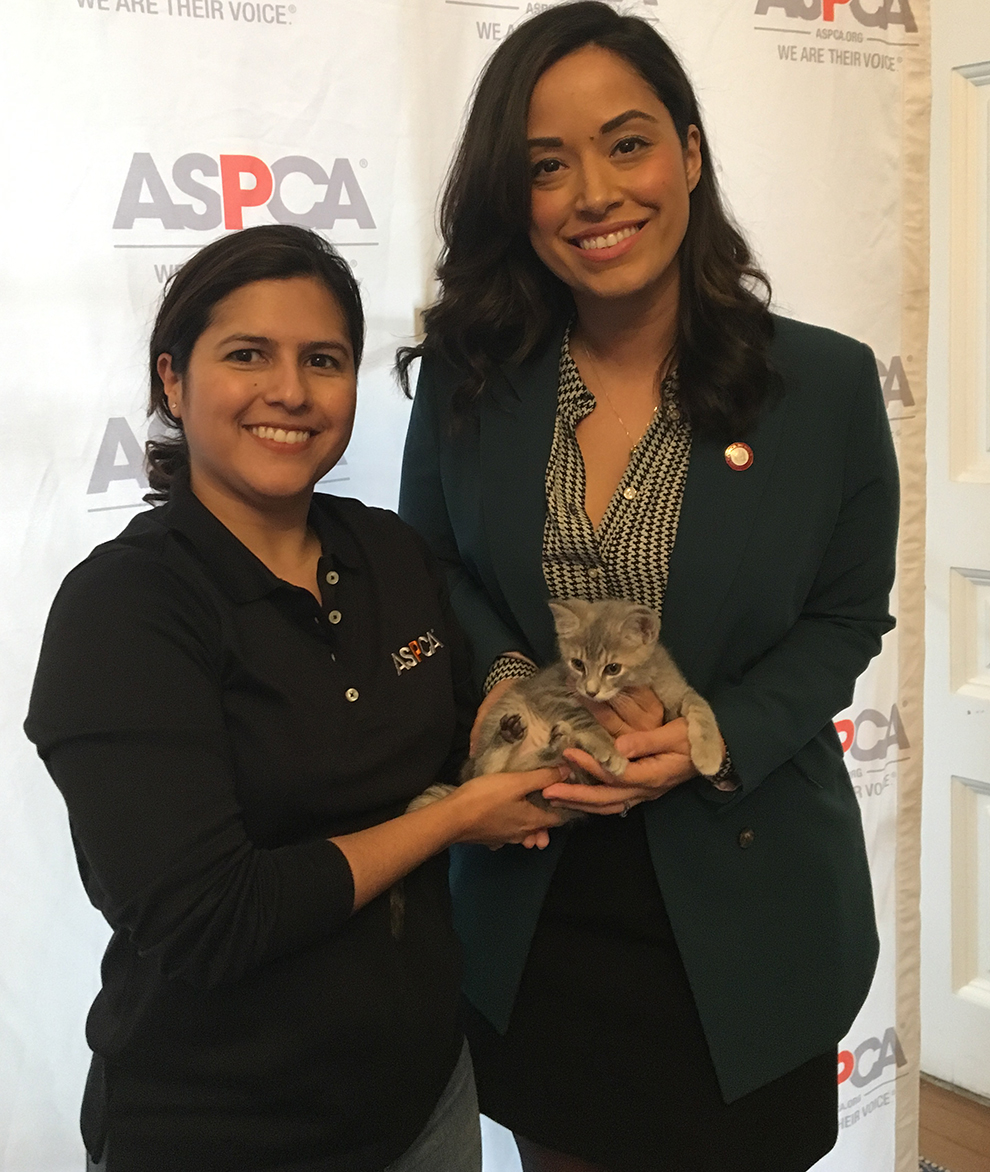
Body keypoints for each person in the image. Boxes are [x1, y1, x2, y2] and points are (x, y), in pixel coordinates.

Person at [397, 4, 900, 1171]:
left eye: (626, 143)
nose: (592, 192)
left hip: (749, 898)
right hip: (534, 905)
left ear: (688, 149)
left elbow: (842, 616)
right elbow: (436, 567)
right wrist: (515, 681)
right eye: (544, 164)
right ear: (511, 198)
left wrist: (714, 732)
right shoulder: (471, 379)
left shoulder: (819, 385)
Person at [24, 224, 566, 1172]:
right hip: (221, 1126)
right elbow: (212, 917)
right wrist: (455, 819)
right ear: (172, 382)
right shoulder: (125, 609)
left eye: (324, 359)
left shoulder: (391, 554)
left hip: (426, 1101)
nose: (290, 391)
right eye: (247, 355)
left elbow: (448, 751)